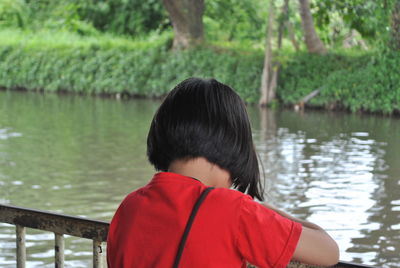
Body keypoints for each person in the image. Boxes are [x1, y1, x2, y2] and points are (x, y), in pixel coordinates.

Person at [107, 78, 339, 268]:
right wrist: (258, 208)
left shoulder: (130, 206)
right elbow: (328, 251)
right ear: (230, 145)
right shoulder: (234, 209)